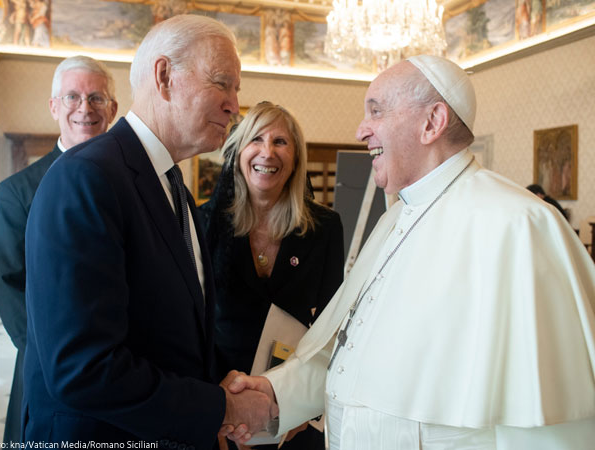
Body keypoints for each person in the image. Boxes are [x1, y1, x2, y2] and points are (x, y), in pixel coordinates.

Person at [223, 55, 595, 449]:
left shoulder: (519, 225)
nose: (361, 130)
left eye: (376, 111)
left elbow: (549, 423)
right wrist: (273, 396)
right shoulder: (397, 218)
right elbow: (349, 352)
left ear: (431, 122)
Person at [22, 15, 273, 448]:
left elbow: (169, 336)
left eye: (236, 90)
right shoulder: (85, 178)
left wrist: (218, 386)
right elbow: (84, 369)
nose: (234, 104)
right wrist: (221, 408)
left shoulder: (176, 188)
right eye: (222, 84)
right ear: (164, 77)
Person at [200, 102, 344, 449]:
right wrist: (220, 407)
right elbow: (193, 327)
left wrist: (303, 408)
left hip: (294, 407)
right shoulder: (204, 224)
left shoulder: (324, 228)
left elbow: (332, 329)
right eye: (256, 139)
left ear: (295, 158)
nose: (267, 152)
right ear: (238, 153)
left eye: (280, 142)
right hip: (223, 408)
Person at [0, 54, 117, 446]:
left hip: (124, 369)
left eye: (97, 98)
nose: (85, 108)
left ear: (112, 109)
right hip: (48, 369)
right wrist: (61, 360)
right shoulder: (17, 192)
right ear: (53, 107)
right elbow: (11, 287)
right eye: (72, 97)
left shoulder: (132, 185)